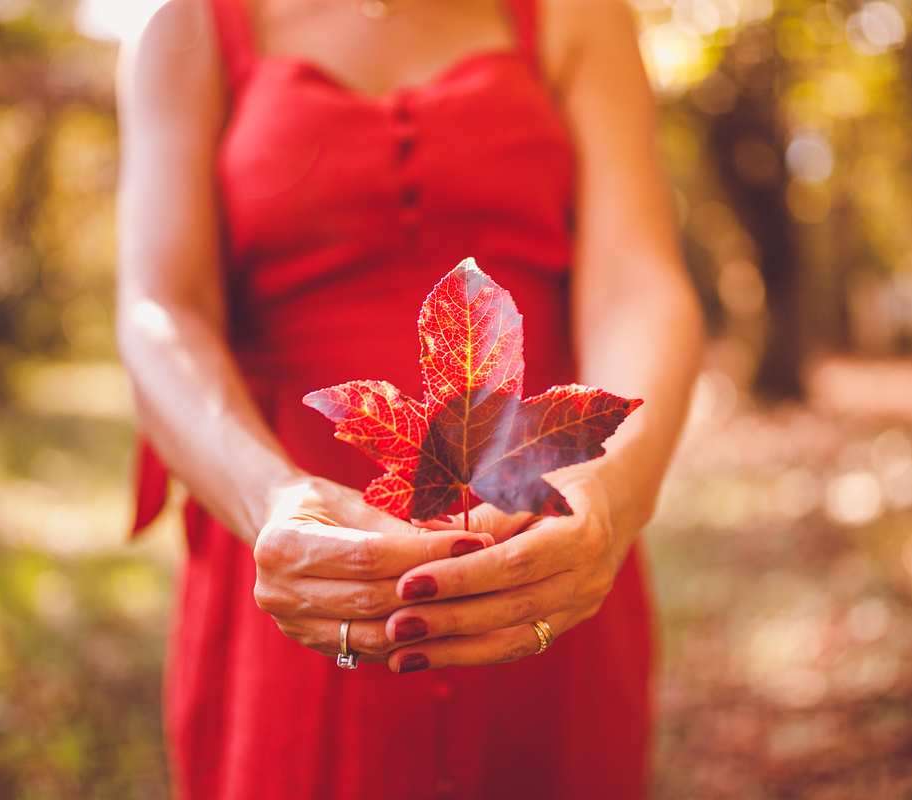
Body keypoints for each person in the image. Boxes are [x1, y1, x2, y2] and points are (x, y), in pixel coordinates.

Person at [114, 0, 704, 794]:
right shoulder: (188, 27)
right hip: (289, 549)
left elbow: (639, 281)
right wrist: (268, 498)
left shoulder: (574, 14)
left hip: (537, 536)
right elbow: (160, 308)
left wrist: (612, 483)